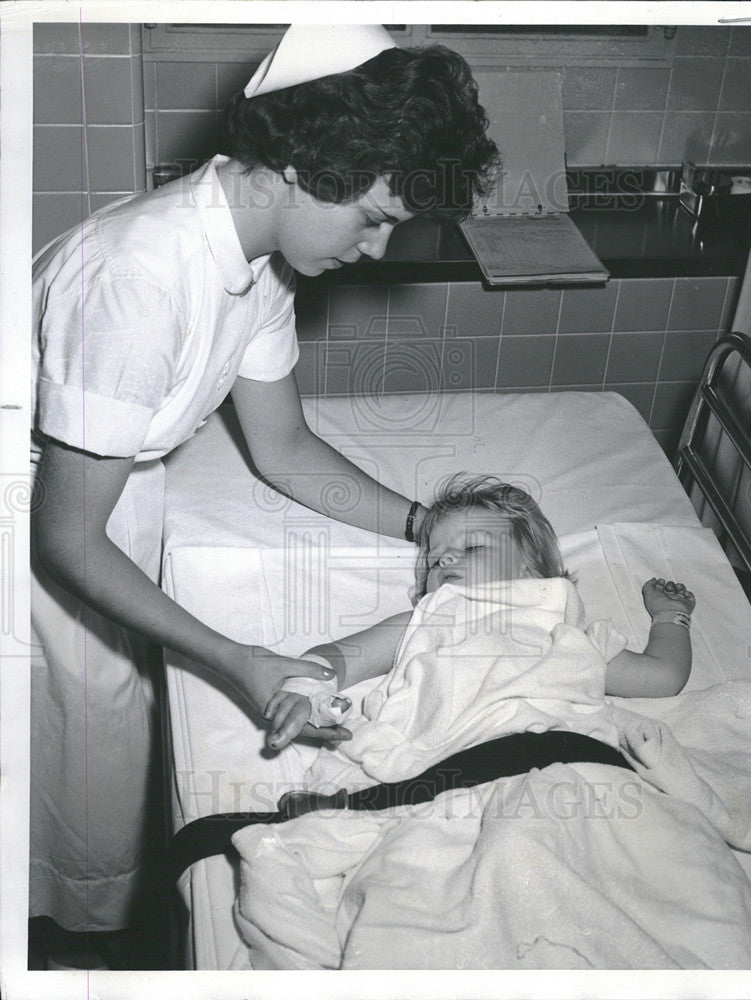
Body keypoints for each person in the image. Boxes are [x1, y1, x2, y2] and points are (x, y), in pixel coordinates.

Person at [29, 23, 500, 946]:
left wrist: (425, 525)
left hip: (102, 506)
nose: (375, 252)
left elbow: (283, 449)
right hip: (42, 527)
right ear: (301, 165)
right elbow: (64, 539)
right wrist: (237, 657)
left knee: (109, 742)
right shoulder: (139, 276)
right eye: (374, 217)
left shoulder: (255, 265)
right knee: (71, 756)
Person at [263, 473, 696, 812]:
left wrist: (669, 616)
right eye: (435, 559)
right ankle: (359, 813)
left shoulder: (564, 623)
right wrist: (305, 689)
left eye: (472, 548)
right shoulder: (427, 618)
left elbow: (663, 675)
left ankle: (362, 814)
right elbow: (341, 657)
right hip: (450, 764)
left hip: (562, 757)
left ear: (532, 570)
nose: (446, 559)